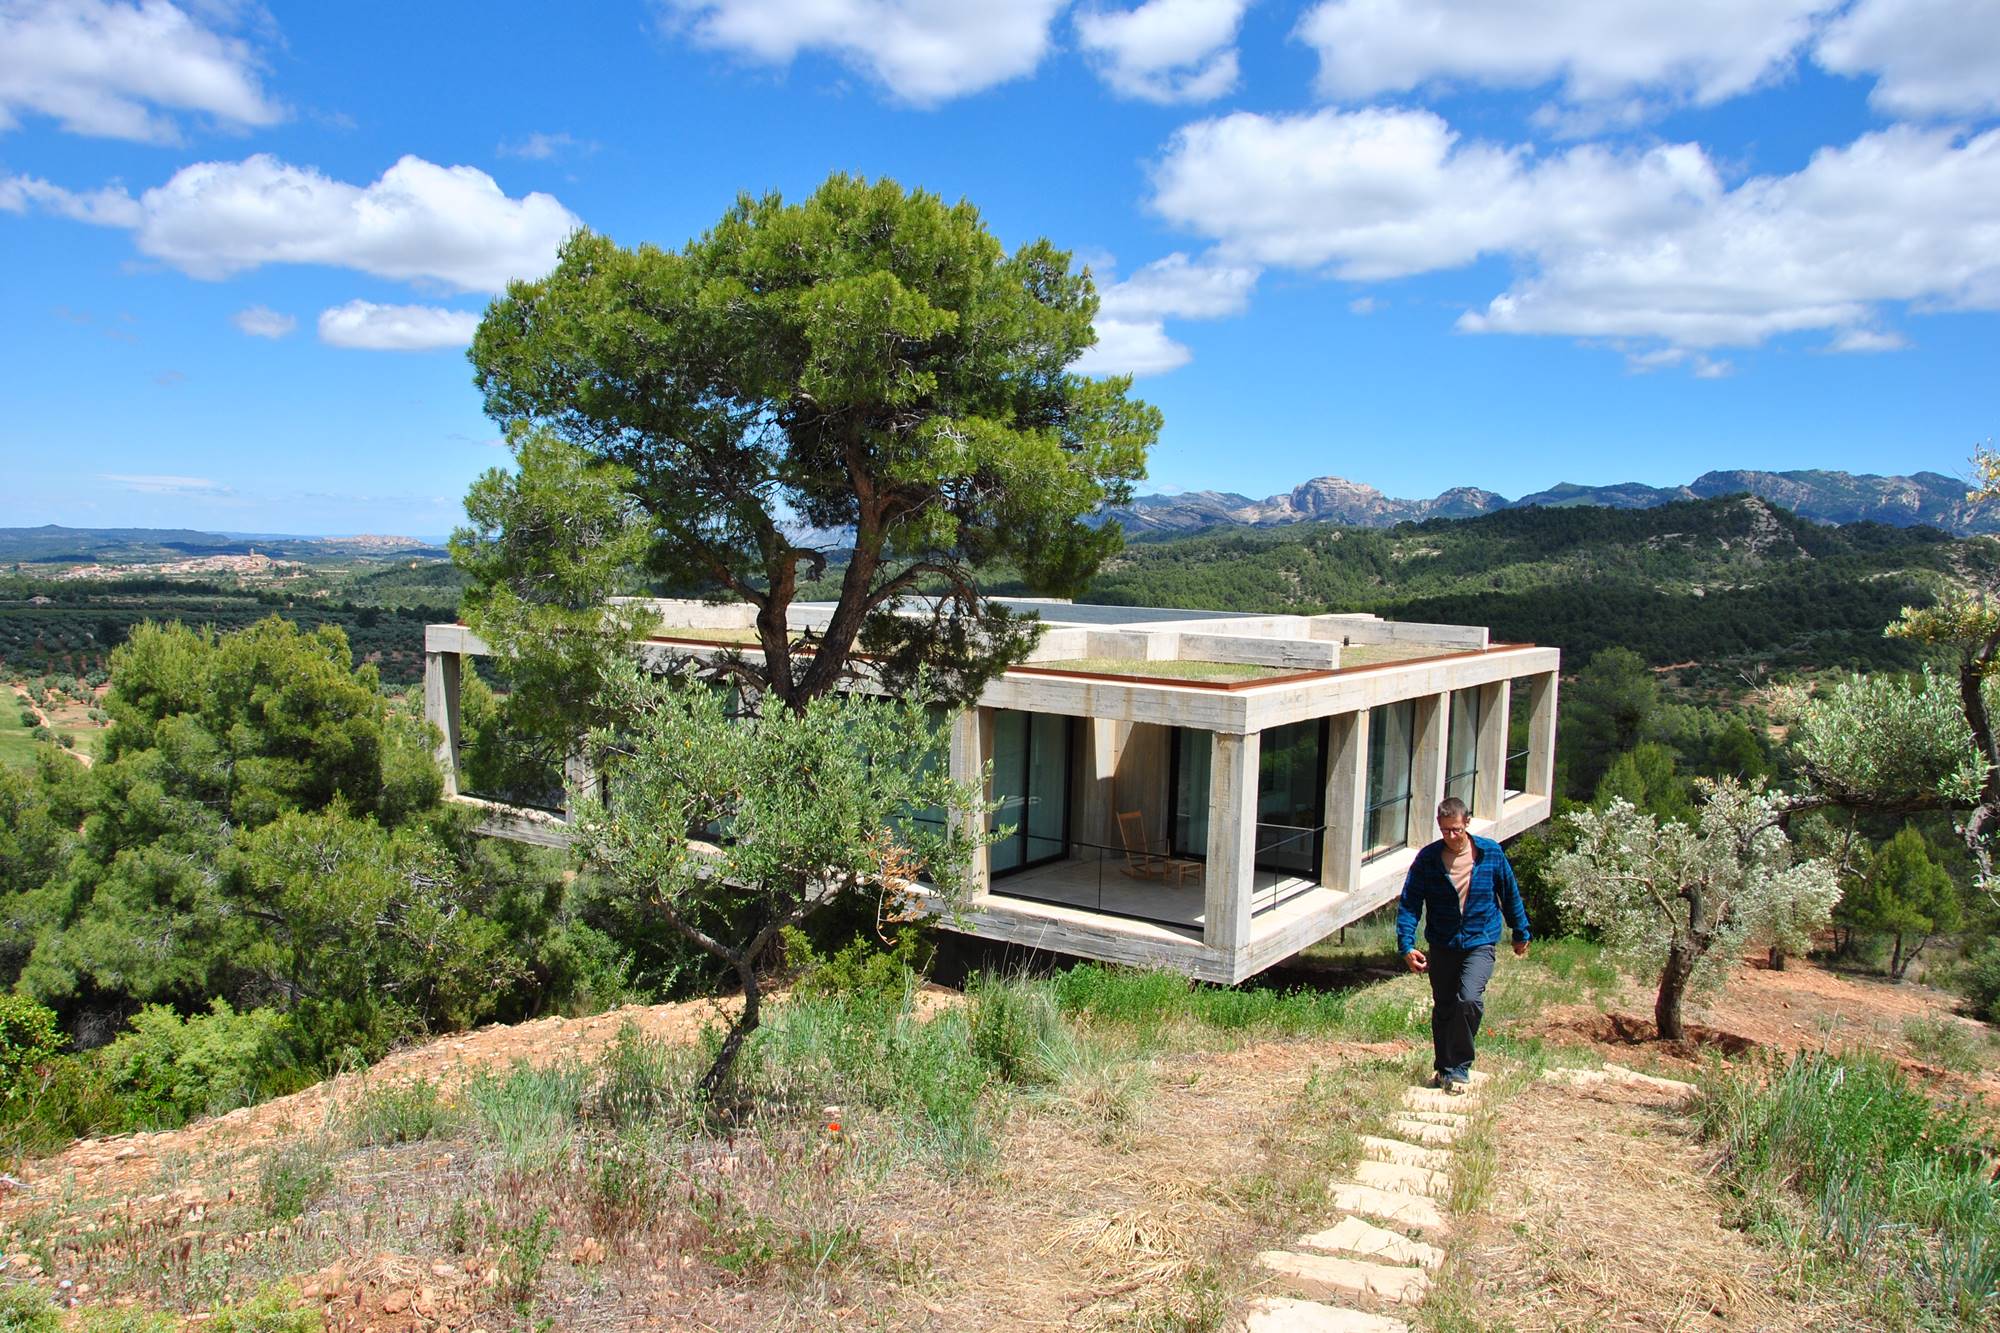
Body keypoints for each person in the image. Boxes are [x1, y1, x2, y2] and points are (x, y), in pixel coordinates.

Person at [1395, 796, 1532, 1094]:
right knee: (1444, 1005)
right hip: (1443, 943)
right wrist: (1406, 945)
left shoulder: (1490, 854)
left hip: (1480, 941)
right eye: (1445, 830)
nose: (1451, 836)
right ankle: (1445, 1069)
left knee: (1468, 999)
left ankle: (1459, 1066)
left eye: (1456, 829)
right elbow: (1409, 904)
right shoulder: (1428, 860)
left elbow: (1510, 895)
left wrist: (1521, 932)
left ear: (1466, 823)